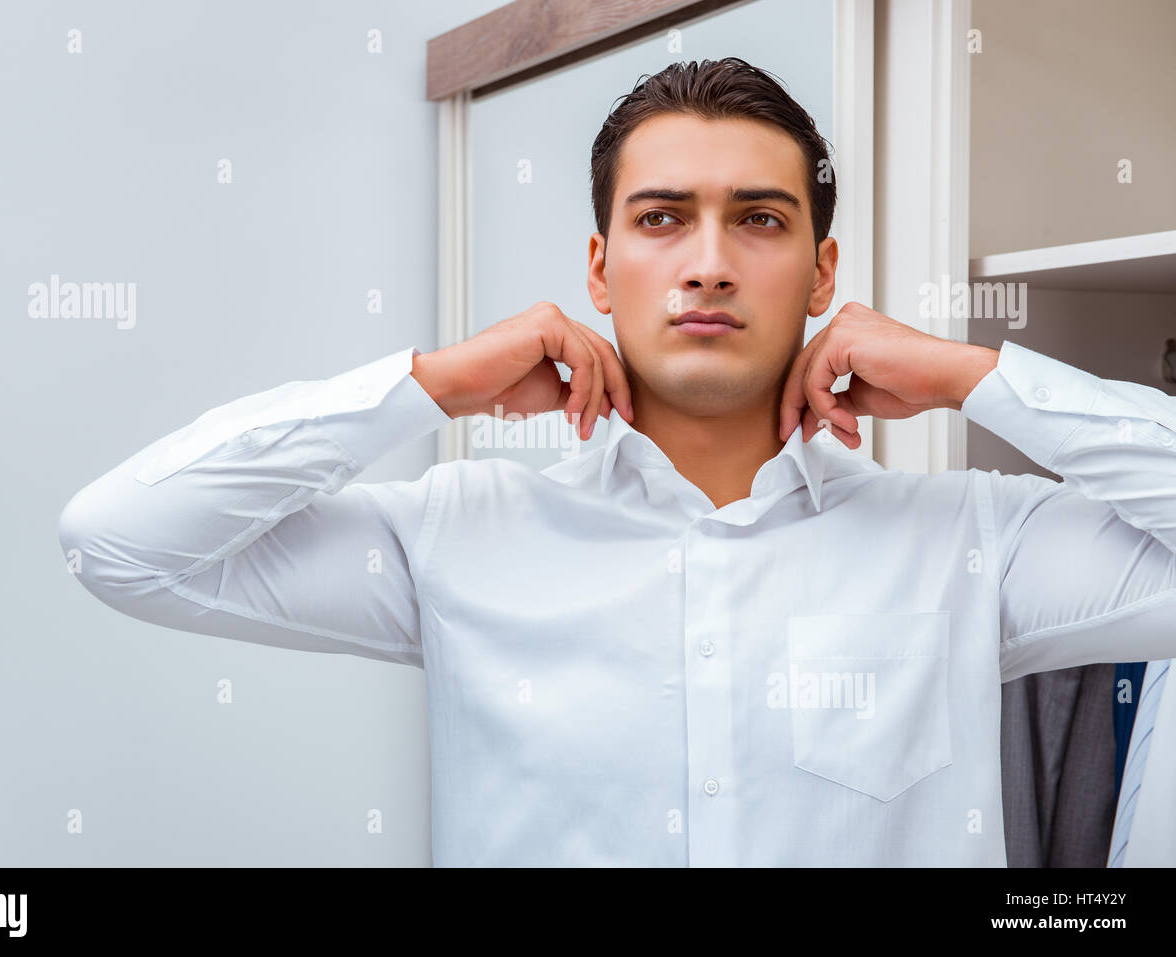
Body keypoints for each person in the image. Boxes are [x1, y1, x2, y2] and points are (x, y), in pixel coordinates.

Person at [57, 57, 1176, 866]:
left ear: (822, 271)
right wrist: (429, 382)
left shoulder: (973, 544)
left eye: (758, 220)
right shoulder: (454, 536)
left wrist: (973, 376)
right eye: (660, 220)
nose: (707, 264)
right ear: (600, 269)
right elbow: (121, 542)